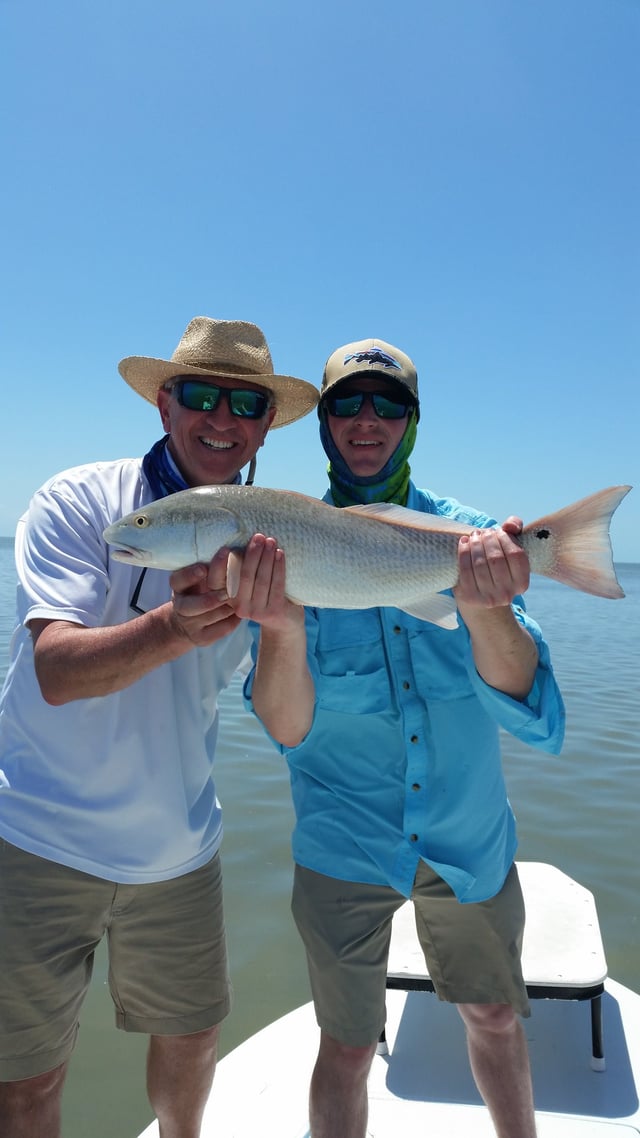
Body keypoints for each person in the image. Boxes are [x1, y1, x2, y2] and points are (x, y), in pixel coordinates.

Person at [233, 337, 566, 1138]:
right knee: (345, 1047)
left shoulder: (474, 538)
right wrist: (280, 626)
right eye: (346, 402)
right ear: (324, 423)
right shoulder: (282, 546)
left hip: (466, 835)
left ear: (413, 420)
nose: (366, 419)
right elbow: (286, 729)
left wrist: (486, 606)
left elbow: (536, 715)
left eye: (389, 403)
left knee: (492, 1016)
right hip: (341, 842)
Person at [0, 316, 319, 1138]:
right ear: (165, 405)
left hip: (179, 851)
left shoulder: (283, 536)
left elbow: (288, 729)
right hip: (37, 841)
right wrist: (171, 629)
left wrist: (284, 628)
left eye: (245, 403)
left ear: (265, 425)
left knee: (194, 1040)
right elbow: (57, 671)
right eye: (201, 396)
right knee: (27, 1081)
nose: (222, 418)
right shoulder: (83, 502)